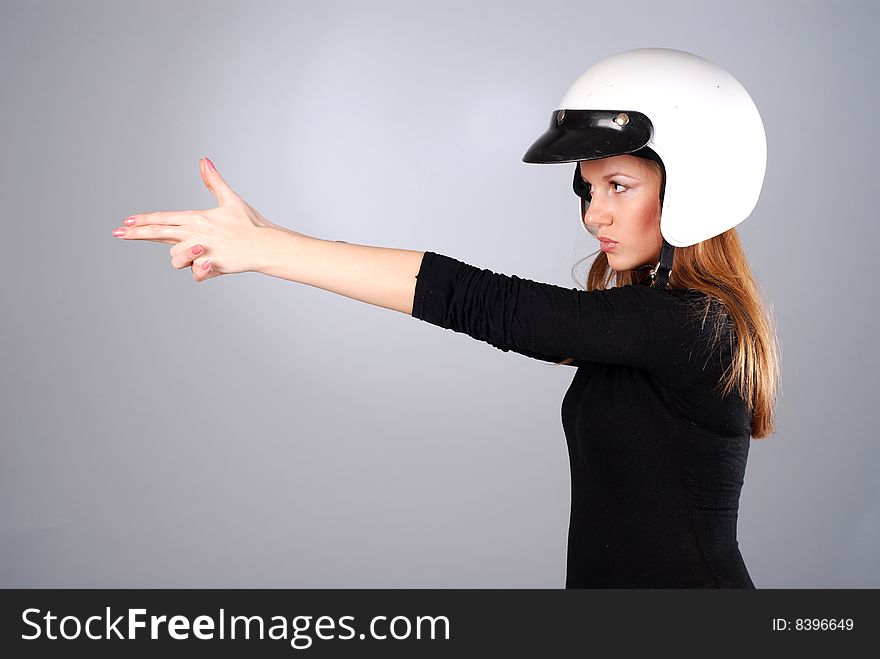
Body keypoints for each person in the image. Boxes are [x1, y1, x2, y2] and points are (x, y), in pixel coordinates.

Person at [112, 48, 780, 588]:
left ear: (699, 180)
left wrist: (270, 251)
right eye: (588, 187)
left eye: (619, 185)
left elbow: (481, 303)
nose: (593, 213)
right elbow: (481, 305)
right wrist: (272, 238)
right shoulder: (646, 328)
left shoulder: (692, 328)